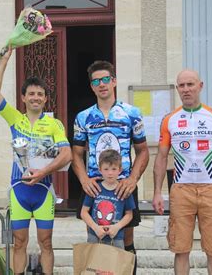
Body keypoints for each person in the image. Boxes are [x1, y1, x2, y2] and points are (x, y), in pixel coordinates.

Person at [0, 47, 72, 275]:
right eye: (31, 94)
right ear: (23, 98)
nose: (35, 97)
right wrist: (4, 59)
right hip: (19, 190)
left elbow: (67, 155)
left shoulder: (54, 124)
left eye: (40, 94)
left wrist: (44, 173)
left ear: (45, 98)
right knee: (19, 242)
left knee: (46, 242)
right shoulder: (16, 120)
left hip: (43, 190)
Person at [152, 69, 212, 275]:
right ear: (177, 89)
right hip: (181, 189)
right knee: (180, 249)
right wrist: (157, 192)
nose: (186, 90)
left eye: (190, 84)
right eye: (181, 86)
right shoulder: (169, 119)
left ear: (200, 86)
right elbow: (161, 156)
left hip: (210, 188)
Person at [72, 60, 149, 273]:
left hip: (123, 185)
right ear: (91, 86)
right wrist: (84, 180)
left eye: (106, 79)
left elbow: (143, 151)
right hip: (95, 186)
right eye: (96, 81)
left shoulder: (132, 113)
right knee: (97, 238)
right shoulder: (83, 117)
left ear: (114, 81)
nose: (102, 84)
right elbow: (76, 154)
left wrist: (132, 180)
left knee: (126, 238)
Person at [81, 149, 135, 248]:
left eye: (114, 169)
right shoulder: (94, 188)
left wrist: (116, 227)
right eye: (106, 169)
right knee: (94, 262)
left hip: (116, 236)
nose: (110, 173)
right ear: (100, 170)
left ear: (120, 170)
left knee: (116, 263)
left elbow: (129, 215)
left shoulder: (124, 190)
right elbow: (84, 212)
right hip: (95, 236)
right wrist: (95, 228)